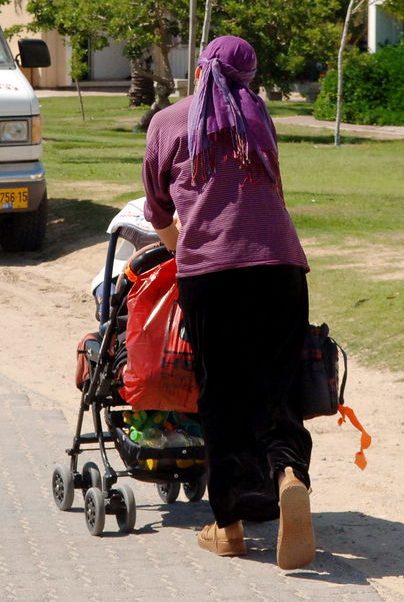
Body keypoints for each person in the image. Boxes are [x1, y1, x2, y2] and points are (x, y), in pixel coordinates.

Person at [141, 35, 315, 570]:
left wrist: (181, 251)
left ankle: (231, 525)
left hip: (213, 276)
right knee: (278, 385)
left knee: (223, 394)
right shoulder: (259, 117)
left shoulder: (170, 121)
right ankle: (287, 474)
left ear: (199, 71)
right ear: (251, 77)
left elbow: (157, 209)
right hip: (282, 267)